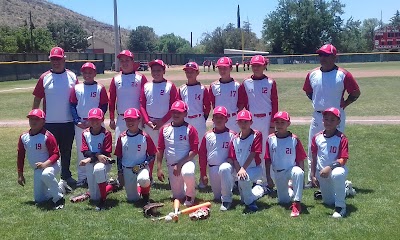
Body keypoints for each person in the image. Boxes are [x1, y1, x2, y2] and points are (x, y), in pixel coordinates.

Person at [303, 44, 360, 188]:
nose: (323, 58)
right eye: (321, 55)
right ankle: (313, 178)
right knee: (313, 148)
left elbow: (355, 92)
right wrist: (318, 103)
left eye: (327, 55)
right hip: (318, 116)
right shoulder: (312, 74)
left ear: (334, 57)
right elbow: (309, 92)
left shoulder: (343, 74)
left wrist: (343, 105)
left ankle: (334, 177)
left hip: (336, 117)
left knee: (334, 148)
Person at [32, 46, 79, 187]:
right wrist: (35, 118)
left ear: (64, 59)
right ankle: (48, 177)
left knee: (66, 151)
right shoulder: (44, 77)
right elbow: (37, 98)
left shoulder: (72, 76)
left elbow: (78, 96)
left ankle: (66, 176)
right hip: (49, 123)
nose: (56, 62)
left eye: (58, 59)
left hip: (68, 122)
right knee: (49, 153)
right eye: (53, 59)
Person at [238, 54, 278, 185]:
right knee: (253, 149)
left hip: (266, 119)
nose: (256, 68)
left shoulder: (270, 82)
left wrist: (273, 122)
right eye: (254, 65)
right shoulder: (246, 82)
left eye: (259, 65)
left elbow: (274, 103)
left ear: (264, 66)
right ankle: (256, 178)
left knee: (267, 149)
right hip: (252, 119)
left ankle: (269, 178)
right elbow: (242, 103)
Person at [70, 62, 108, 188]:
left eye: (90, 72)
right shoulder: (76, 88)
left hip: (96, 123)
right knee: (82, 151)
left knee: (98, 148)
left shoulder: (99, 87)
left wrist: (96, 121)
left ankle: (100, 175)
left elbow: (103, 105)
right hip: (81, 123)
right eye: (85, 72)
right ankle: (82, 178)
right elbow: (72, 105)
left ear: (95, 74)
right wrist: (77, 121)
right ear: (82, 74)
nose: (87, 75)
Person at [17, 109, 65, 210]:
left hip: (52, 165)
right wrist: (20, 174)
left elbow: (56, 154)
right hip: (38, 169)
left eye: (36, 119)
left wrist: (45, 164)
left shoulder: (47, 136)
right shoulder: (23, 137)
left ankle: (59, 198)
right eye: (31, 119)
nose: (33, 122)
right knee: (40, 200)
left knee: (46, 174)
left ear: (43, 122)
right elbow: (20, 156)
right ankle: (60, 187)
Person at [140, 59, 179, 179]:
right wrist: (147, 121)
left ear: (164, 71)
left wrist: (162, 121)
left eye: (159, 70)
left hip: (166, 123)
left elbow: (174, 105)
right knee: (150, 150)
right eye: (153, 70)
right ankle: (149, 175)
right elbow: (142, 104)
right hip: (150, 123)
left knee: (169, 150)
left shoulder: (170, 86)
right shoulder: (146, 86)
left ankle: (173, 177)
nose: (156, 73)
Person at [156, 100, 199, 207]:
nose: (176, 114)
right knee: (178, 196)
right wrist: (159, 168)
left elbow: (194, 151)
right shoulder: (164, 129)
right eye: (174, 112)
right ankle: (186, 187)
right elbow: (160, 149)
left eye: (179, 112)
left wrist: (179, 164)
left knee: (188, 173)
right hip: (172, 166)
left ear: (185, 114)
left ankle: (190, 196)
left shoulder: (190, 129)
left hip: (186, 162)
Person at [264, 111, 307, 217]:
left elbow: (300, 158)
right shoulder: (270, 139)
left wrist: (302, 176)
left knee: (298, 173)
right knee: (283, 201)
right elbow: (267, 159)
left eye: (282, 122)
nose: (279, 125)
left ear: (288, 124)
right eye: (277, 122)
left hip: (291, 169)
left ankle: (297, 203)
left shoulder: (294, 139)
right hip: (278, 172)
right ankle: (290, 189)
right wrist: (269, 177)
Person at [310, 107, 349, 218]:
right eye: (326, 119)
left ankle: (341, 207)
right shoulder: (317, 137)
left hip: (336, 169)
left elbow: (343, 159)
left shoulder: (341, 138)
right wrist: (312, 175)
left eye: (332, 120)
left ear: (338, 122)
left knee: (338, 174)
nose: (328, 122)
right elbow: (313, 157)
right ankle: (346, 189)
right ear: (323, 120)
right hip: (322, 173)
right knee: (328, 202)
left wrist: (329, 167)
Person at [114, 108, 157, 203]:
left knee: (144, 179)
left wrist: (142, 165)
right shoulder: (122, 137)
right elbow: (119, 156)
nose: (130, 122)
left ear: (139, 120)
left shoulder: (145, 136)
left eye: (133, 119)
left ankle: (146, 198)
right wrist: (120, 172)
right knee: (132, 199)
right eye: (127, 120)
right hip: (127, 169)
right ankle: (138, 189)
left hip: (141, 168)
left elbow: (152, 155)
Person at [179, 62, 211, 188]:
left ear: (197, 72)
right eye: (187, 71)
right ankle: (186, 178)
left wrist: (202, 119)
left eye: (192, 71)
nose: (189, 73)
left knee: (201, 150)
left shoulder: (202, 88)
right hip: (186, 121)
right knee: (187, 149)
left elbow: (207, 106)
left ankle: (202, 177)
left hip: (198, 120)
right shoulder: (182, 89)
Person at [198, 106, 236, 211]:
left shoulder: (232, 135)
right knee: (217, 197)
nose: (219, 120)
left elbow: (236, 153)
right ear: (213, 119)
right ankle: (227, 191)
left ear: (226, 119)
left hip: (227, 168)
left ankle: (227, 199)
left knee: (224, 168)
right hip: (213, 168)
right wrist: (203, 174)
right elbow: (202, 156)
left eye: (221, 117)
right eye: (216, 117)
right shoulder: (207, 135)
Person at [227, 109, 265, 212]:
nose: (243, 124)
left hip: (255, 169)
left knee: (243, 180)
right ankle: (261, 189)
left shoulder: (256, 135)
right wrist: (240, 170)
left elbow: (253, 153)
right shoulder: (235, 139)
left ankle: (251, 204)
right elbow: (234, 158)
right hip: (241, 170)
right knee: (243, 197)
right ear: (237, 123)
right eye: (240, 121)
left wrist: (243, 169)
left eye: (246, 121)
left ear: (251, 122)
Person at [109, 50, 147, 143]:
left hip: (137, 119)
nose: (124, 63)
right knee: (120, 145)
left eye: (127, 60)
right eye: (122, 61)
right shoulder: (116, 79)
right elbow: (112, 100)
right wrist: (111, 118)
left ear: (132, 61)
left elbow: (145, 99)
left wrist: (145, 118)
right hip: (122, 118)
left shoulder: (141, 77)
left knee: (138, 146)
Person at [78, 108, 113, 211]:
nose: (94, 122)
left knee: (98, 168)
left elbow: (105, 154)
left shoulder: (106, 133)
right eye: (92, 119)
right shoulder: (85, 133)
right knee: (94, 197)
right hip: (90, 162)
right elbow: (85, 151)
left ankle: (103, 200)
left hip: (104, 163)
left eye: (97, 119)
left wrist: (92, 158)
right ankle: (112, 186)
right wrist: (97, 155)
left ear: (102, 119)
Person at [209, 56, 240, 133]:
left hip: (233, 119)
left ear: (231, 68)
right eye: (220, 68)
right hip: (219, 120)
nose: (222, 71)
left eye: (225, 68)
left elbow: (241, 103)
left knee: (234, 142)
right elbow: (213, 103)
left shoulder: (237, 85)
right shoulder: (214, 86)